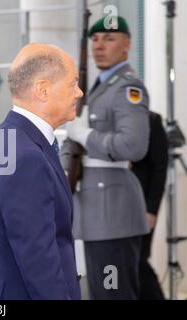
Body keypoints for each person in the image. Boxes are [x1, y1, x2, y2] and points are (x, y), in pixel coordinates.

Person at [0, 43, 82, 300]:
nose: (79, 92)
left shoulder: (0, 139)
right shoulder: (26, 157)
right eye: (72, 83)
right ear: (43, 90)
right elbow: (38, 257)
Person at [64, 16, 150, 299]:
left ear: (126, 45)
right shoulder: (100, 88)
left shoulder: (128, 89)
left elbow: (133, 146)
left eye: (109, 39)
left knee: (114, 295)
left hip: (112, 213)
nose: (99, 45)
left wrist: (85, 135)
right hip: (96, 213)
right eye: (95, 39)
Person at [131, 111, 168, 300]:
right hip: (119, 207)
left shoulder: (151, 120)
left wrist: (151, 209)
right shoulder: (114, 121)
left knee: (139, 261)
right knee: (126, 264)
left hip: (144, 206)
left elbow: (160, 168)